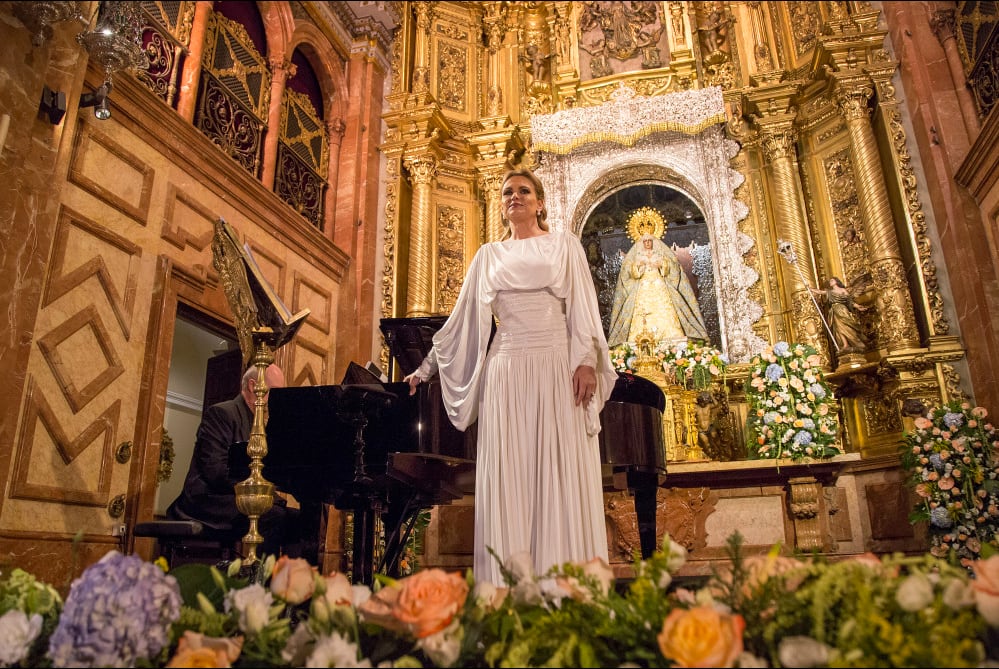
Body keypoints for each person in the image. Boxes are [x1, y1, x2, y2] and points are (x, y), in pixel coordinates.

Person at [404, 168, 618, 586]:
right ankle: (509, 594)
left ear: (539, 202)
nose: (514, 196)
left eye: (524, 191)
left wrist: (587, 361)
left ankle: (566, 590)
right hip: (506, 371)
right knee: (510, 480)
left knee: (559, 473)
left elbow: (582, 310)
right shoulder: (488, 256)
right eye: (507, 192)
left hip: (558, 367)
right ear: (502, 205)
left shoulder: (565, 246)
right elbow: (461, 323)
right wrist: (425, 367)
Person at [167, 363, 307, 559]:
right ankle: (260, 583)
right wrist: (264, 496)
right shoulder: (221, 413)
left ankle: (287, 585)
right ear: (252, 386)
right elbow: (215, 472)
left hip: (234, 497)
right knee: (274, 516)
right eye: (273, 391)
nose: (275, 399)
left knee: (299, 519)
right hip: (207, 500)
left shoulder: (260, 424)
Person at [607, 233, 709, 346]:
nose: (647, 243)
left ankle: (671, 336)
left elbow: (671, 270)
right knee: (641, 311)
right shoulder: (637, 255)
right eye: (645, 241)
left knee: (666, 309)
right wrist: (637, 266)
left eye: (649, 241)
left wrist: (662, 265)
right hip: (643, 287)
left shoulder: (660, 253)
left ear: (653, 242)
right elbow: (632, 274)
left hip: (659, 284)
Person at [809, 276, 869, 354]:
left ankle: (856, 342)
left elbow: (849, 301)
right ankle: (845, 344)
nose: (830, 282)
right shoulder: (829, 292)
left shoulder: (843, 290)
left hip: (842, 310)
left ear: (837, 281)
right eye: (830, 281)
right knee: (838, 328)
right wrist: (810, 289)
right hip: (834, 310)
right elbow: (820, 292)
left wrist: (858, 306)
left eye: (832, 280)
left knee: (848, 325)